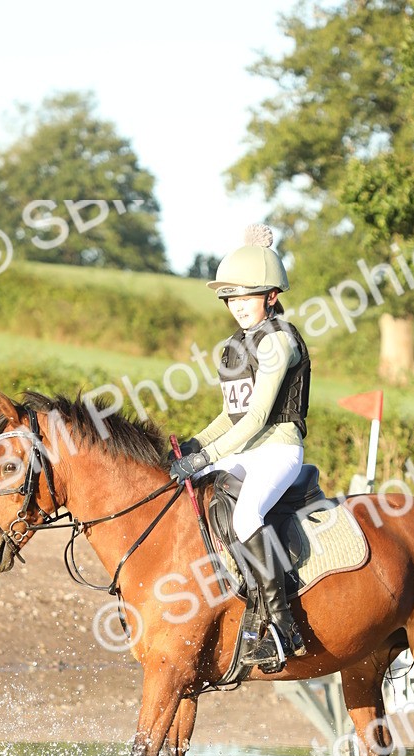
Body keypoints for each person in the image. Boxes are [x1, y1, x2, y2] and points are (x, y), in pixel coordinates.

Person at [169, 225, 311, 672]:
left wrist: (207, 457)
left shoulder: (278, 341)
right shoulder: (235, 346)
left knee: (247, 515)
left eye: (245, 298)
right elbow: (229, 417)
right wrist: (194, 445)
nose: (237, 308)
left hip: (278, 450)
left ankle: (283, 625)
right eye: (230, 300)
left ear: (271, 295)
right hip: (247, 449)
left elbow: (255, 421)